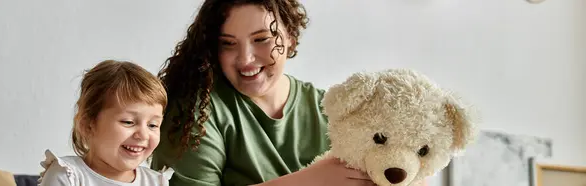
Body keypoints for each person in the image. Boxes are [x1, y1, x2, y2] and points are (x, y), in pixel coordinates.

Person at [151, 1, 429, 186]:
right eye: (228, 44)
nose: (246, 59)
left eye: (261, 39)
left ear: (290, 38)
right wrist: (311, 179)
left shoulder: (331, 108)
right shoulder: (197, 112)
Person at [38, 60, 170, 186]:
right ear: (88, 125)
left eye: (152, 125)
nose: (143, 135)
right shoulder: (67, 175)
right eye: (128, 122)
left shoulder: (157, 182)